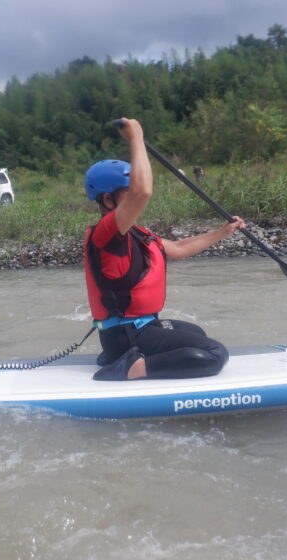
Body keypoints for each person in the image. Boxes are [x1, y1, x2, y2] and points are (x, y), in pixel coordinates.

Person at [83, 118, 245, 381]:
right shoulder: (106, 233)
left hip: (140, 326)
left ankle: (119, 356)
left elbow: (179, 248)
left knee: (196, 333)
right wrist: (136, 138)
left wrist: (222, 232)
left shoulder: (137, 233)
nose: (133, 196)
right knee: (215, 354)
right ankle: (131, 367)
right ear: (108, 199)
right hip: (126, 334)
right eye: (126, 192)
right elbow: (142, 192)